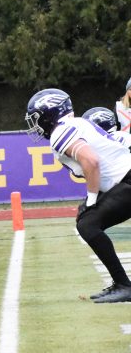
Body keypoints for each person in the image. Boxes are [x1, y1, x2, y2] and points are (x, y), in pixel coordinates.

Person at [26, 88, 131, 302]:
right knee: (86, 220)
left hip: (127, 180)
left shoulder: (60, 131)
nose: (36, 126)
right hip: (125, 179)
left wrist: (92, 201)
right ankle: (121, 283)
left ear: (49, 113)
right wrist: (90, 201)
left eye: (36, 119)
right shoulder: (78, 124)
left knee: (88, 224)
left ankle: (124, 285)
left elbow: (91, 161)